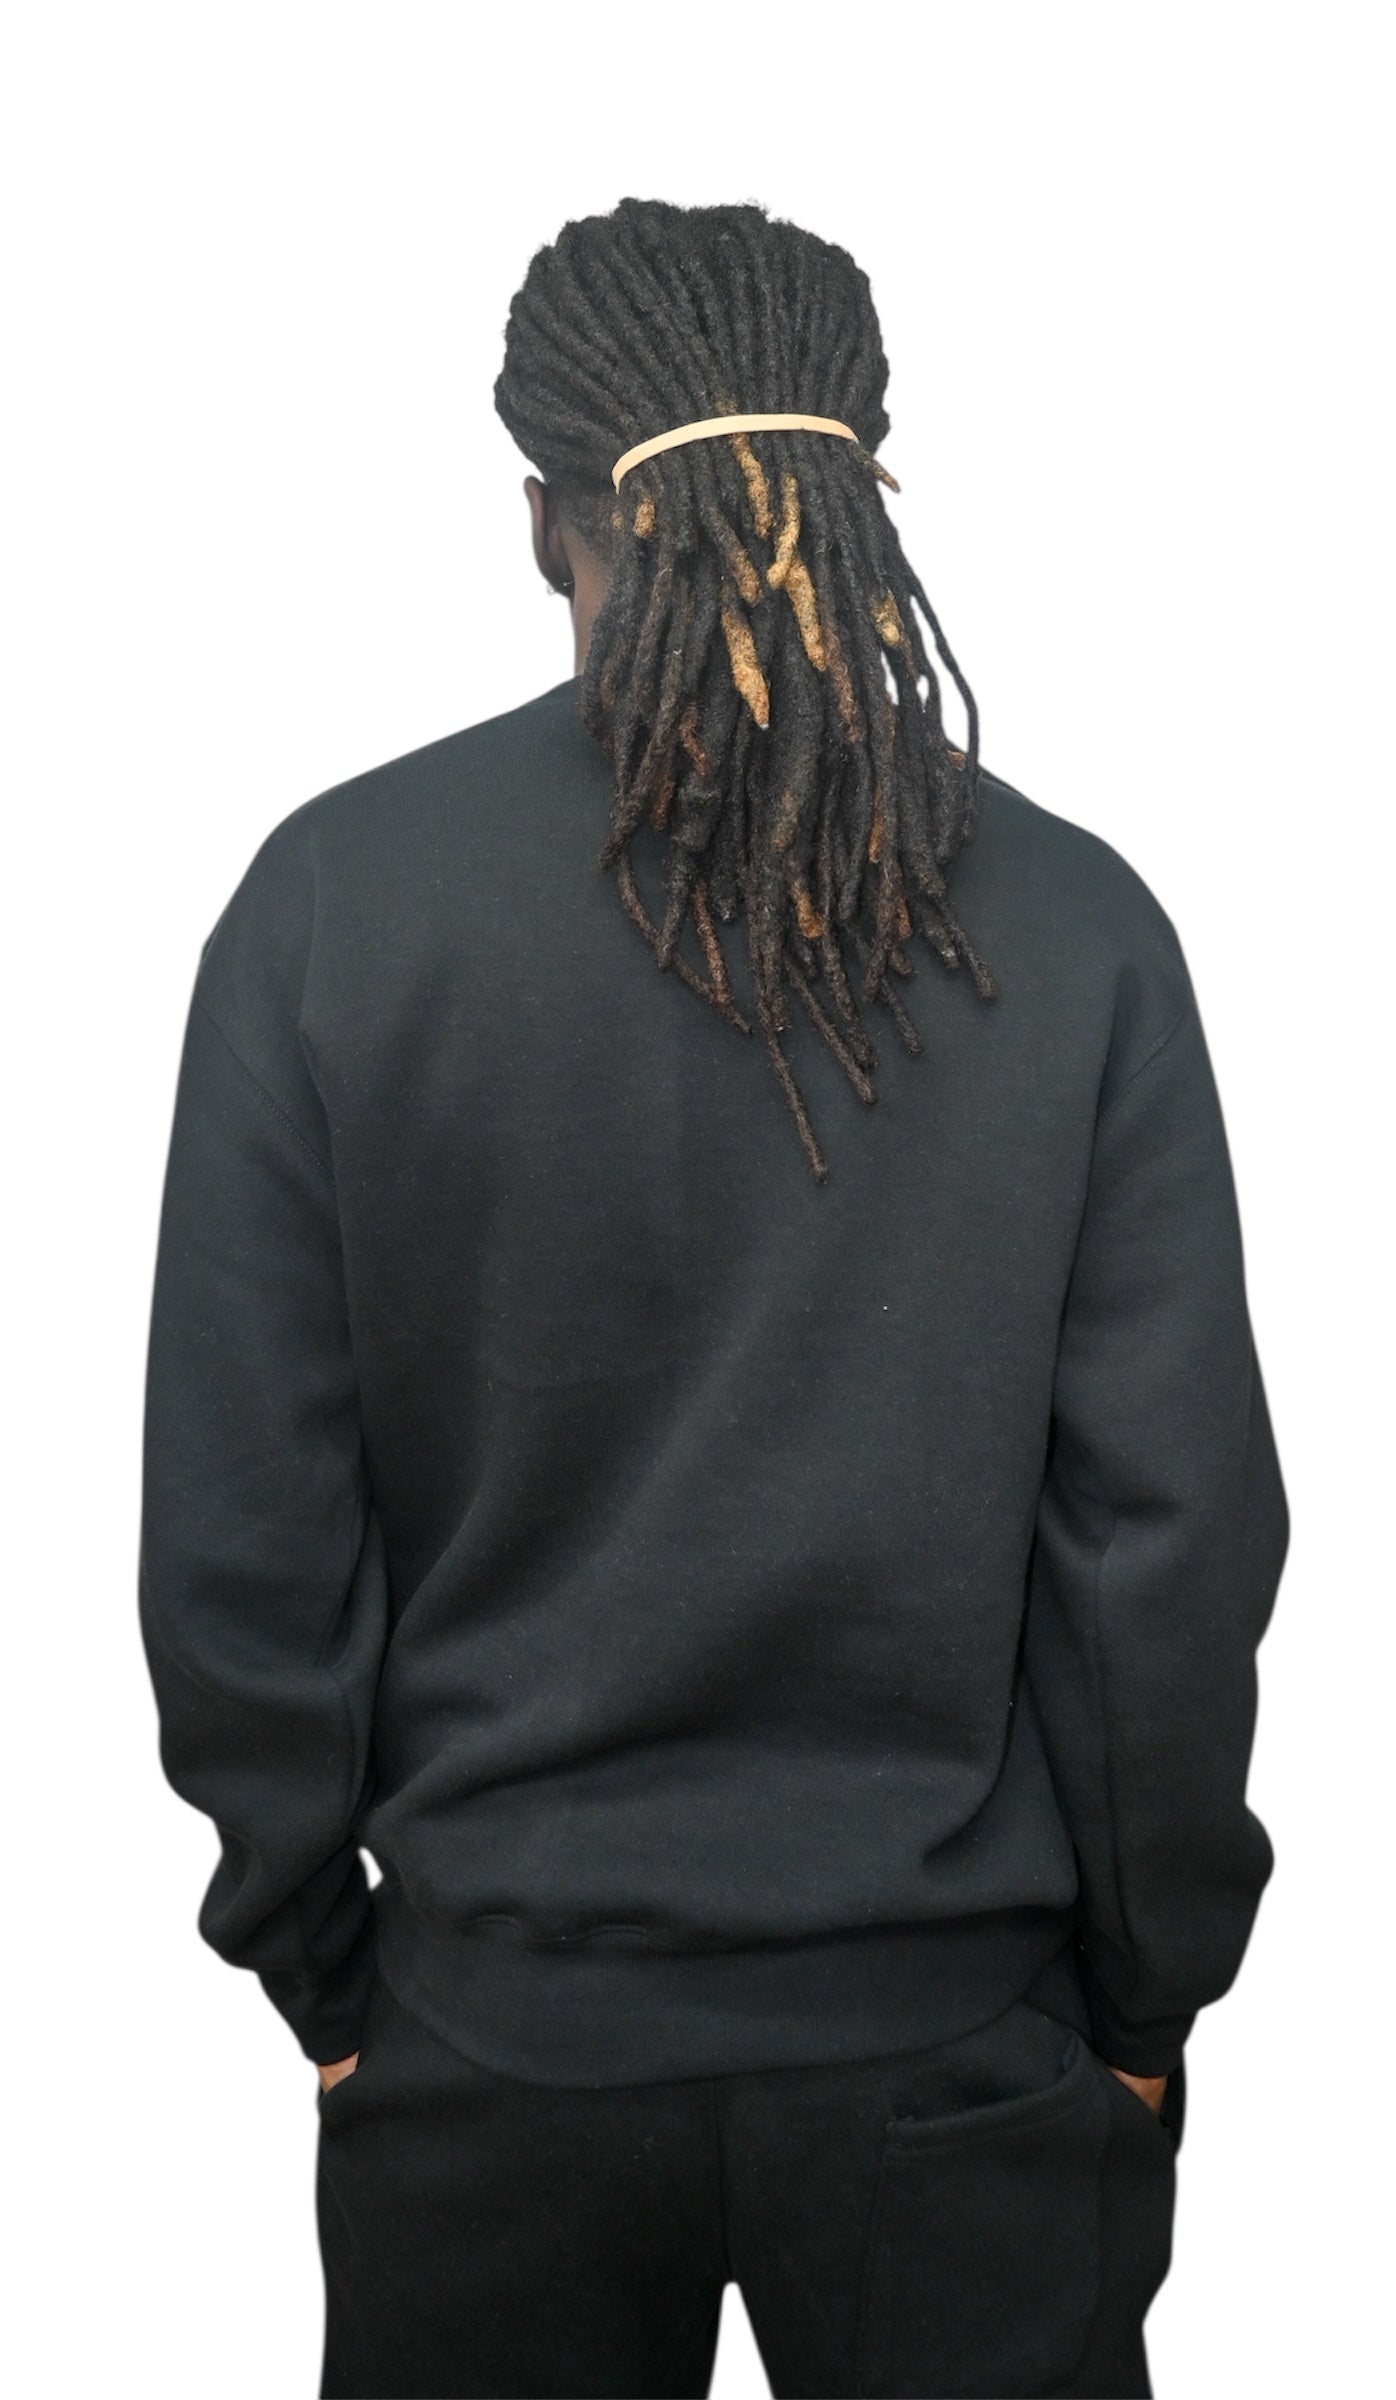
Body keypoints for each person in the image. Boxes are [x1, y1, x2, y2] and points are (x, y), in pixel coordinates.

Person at [137, 198, 1288, 2400]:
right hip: (960, 2054)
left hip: (490, 2050)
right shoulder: (1071, 929)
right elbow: (1163, 1548)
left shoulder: (333, 907)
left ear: (540, 519)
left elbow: (243, 1524)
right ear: (863, 492)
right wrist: (1151, 1994)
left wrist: (320, 1965)